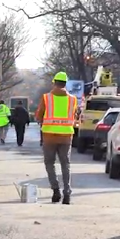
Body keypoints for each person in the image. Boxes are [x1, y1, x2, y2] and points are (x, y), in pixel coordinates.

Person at [35, 71, 78, 205]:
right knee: (65, 164)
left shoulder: (46, 98)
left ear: (54, 83)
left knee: (49, 163)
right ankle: (67, 193)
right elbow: (74, 115)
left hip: (49, 136)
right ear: (65, 84)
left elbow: (38, 116)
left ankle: (55, 191)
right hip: (66, 137)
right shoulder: (73, 99)